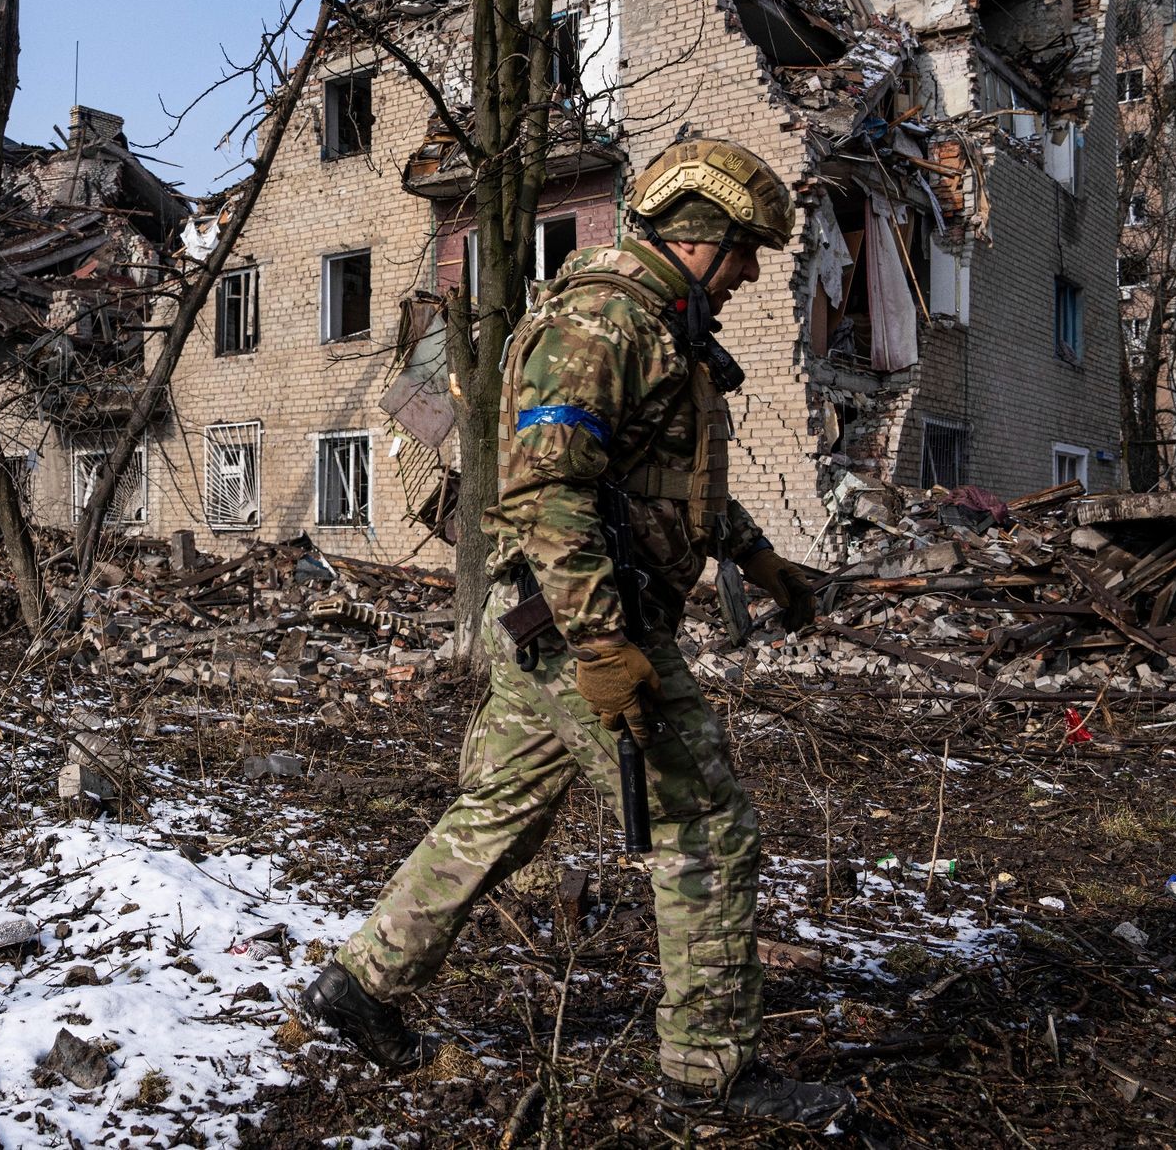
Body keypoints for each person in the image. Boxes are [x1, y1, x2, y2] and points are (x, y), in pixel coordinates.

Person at [299, 138, 854, 1128]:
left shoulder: (657, 328)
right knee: (703, 825)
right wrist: (603, 650)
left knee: (498, 811)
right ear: (695, 238)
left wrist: (760, 559)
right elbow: (549, 490)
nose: (749, 274)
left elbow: (661, 489)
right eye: (742, 252)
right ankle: (708, 1081)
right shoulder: (600, 322)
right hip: (575, 623)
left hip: (554, 621)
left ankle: (362, 986)